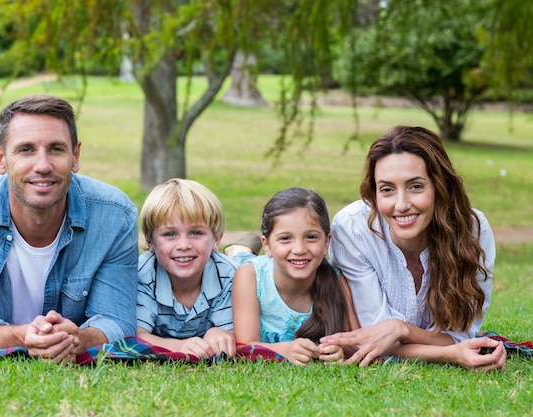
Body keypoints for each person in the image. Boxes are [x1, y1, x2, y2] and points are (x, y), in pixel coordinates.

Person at [0, 94, 139, 364]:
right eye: (26, 149)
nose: (42, 166)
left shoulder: (114, 218)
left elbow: (118, 320)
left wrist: (77, 339)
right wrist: (22, 335)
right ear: (1, 158)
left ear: (75, 156)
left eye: (56, 149)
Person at [321, 125, 506, 371]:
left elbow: (460, 336)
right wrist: (450, 354)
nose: (401, 204)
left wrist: (401, 329)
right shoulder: (353, 228)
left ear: (441, 188)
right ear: (374, 194)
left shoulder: (472, 230)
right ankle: (249, 246)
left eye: (416, 186)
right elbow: (375, 337)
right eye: (387, 190)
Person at [232, 187, 359, 365]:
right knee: (239, 260)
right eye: (285, 238)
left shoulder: (336, 279)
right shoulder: (249, 275)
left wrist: (339, 352)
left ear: (327, 243)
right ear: (266, 245)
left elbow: (353, 342)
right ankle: (240, 249)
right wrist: (285, 350)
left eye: (311, 237)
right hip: (252, 264)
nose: (299, 249)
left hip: (281, 262)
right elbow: (244, 347)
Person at [136, 178, 237, 359]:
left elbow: (237, 334)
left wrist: (221, 334)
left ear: (216, 239)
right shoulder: (142, 275)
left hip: (232, 261)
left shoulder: (229, 274)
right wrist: (177, 346)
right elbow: (137, 335)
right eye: (170, 234)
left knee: (245, 263)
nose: (183, 245)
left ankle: (239, 250)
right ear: (150, 243)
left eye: (196, 233)